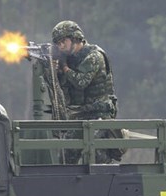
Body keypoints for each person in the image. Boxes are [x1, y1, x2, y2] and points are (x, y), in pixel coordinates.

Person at [51, 20, 123, 163]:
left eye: (64, 41)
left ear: (75, 38)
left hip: (100, 115)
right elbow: (61, 87)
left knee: (96, 155)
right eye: (58, 43)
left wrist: (65, 68)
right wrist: (55, 70)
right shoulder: (71, 59)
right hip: (82, 115)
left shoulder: (94, 56)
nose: (61, 46)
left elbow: (80, 82)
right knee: (66, 153)